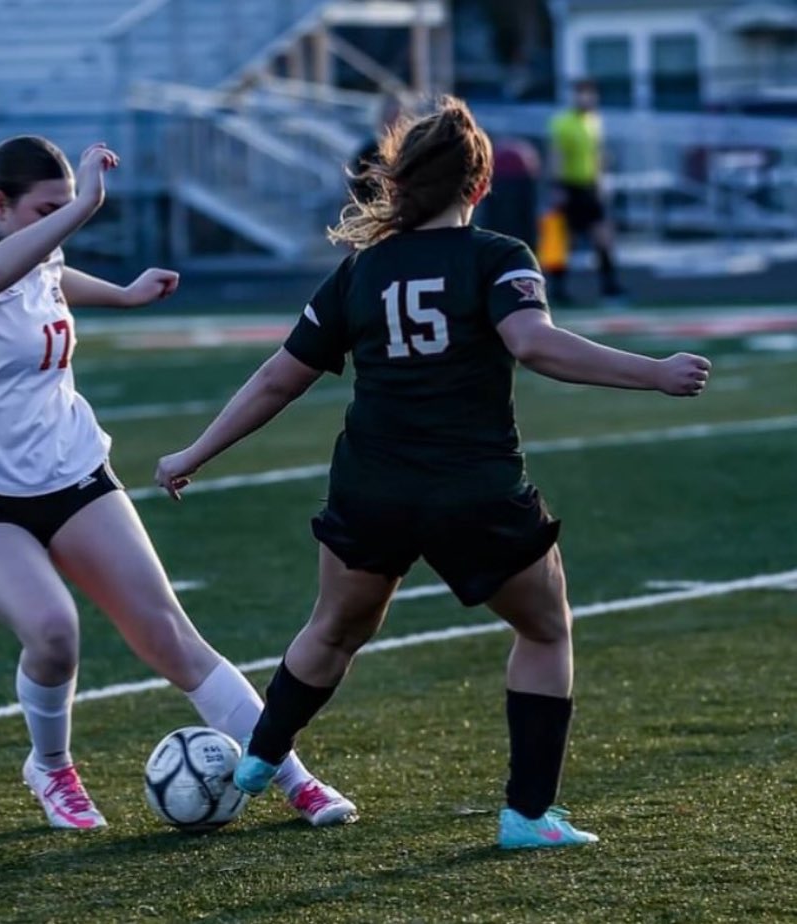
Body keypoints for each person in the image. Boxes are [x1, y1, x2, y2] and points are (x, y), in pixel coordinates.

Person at [155, 97, 711, 849]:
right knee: (546, 630)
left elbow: (278, 380)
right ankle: (526, 815)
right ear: (478, 188)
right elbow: (536, 345)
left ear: (400, 185)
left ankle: (260, 757)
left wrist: (193, 454)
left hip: (370, 485)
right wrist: (654, 373)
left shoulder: (361, 271)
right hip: (471, 487)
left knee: (334, 628)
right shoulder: (496, 256)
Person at [0, 135, 356, 830]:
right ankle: (51, 768)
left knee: (170, 634)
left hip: (71, 471)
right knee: (54, 633)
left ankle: (290, 775)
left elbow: (51, 273)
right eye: (45, 210)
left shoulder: (36, 248)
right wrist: (88, 202)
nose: (60, 222)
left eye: (66, 208)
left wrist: (121, 295)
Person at [547, 78, 626, 305]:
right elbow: (556, 155)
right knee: (565, 240)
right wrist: (558, 186)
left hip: (590, 187)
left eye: (590, 93)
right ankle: (558, 289)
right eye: (582, 93)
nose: (586, 98)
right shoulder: (562, 123)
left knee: (603, 236)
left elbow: (597, 154)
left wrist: (602, 181)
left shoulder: (594, 121)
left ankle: (610, 288)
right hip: (570, 187)